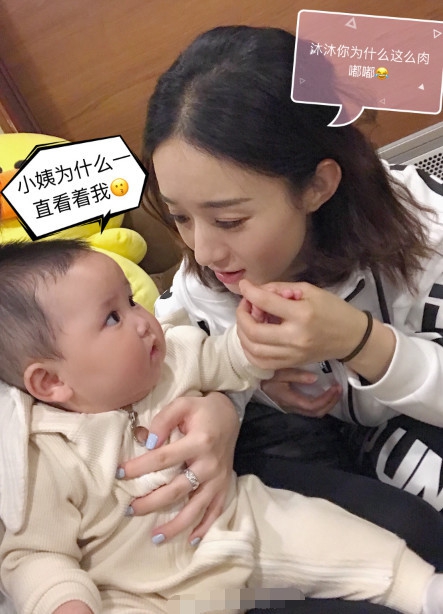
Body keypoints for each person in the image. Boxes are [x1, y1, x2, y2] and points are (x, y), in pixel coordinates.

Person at [114, 24, 443, 575]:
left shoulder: (427, 234)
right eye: (179, 217)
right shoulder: (198, 285)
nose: (203, 249)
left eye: (229, 220)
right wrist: (234, 399)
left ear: (317, 186)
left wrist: (362, 343)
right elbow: (166, 363)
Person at [2, 240, 442, 614]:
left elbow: (228, 358)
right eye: (112, 318)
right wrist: (63, 602)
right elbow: (36, 554)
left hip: (242, 527)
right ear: (50, 382)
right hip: (142, 594)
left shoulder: (173, 359)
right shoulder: (44, 452)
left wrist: (257, 331)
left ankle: (419, 589)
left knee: (325, 532)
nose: (142, 321)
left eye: (132, 301)